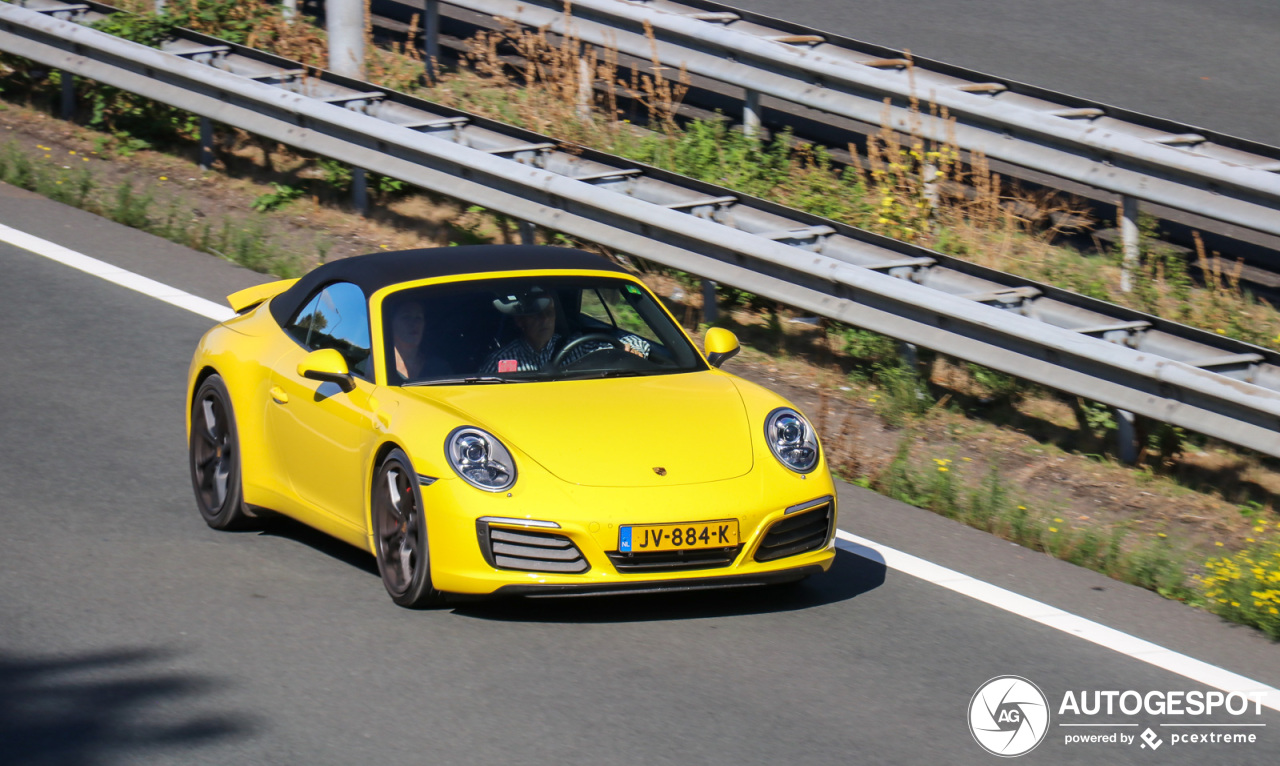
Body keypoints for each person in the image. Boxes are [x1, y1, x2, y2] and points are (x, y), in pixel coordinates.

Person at [481, 286, 651, 373]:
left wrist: (633, 350)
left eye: (550, 313)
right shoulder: (501, 361)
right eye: (537, 315)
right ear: (520, 321)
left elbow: (635, 341)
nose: (545, 320)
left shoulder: (581, 347)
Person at [388, 301, 449, 383]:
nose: (414, 323)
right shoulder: (375, 367)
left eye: (418, 318)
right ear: (390, 324)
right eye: (406, 317)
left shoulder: (439, 368)